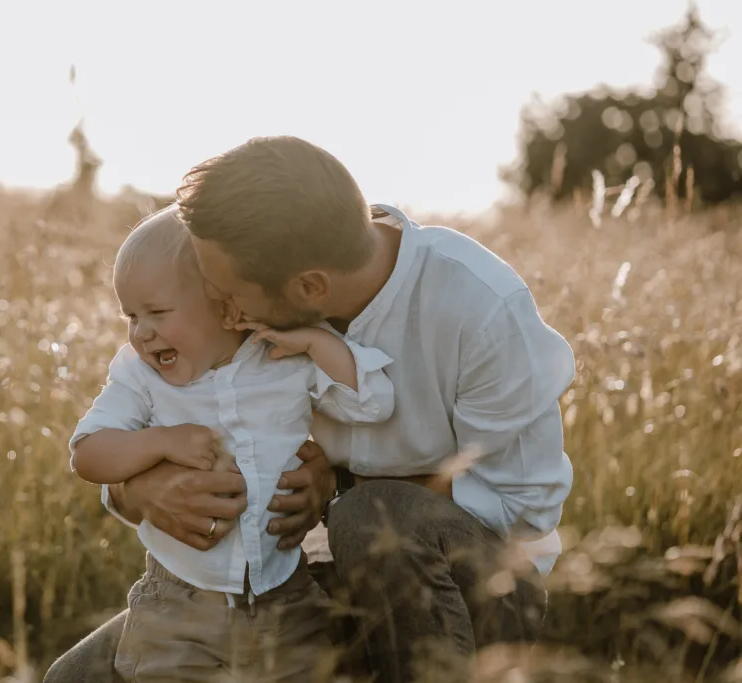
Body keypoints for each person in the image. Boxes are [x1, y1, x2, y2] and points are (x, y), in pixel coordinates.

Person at [44, 136, 576, 683]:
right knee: (77, 676)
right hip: (304, 574)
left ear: (309, 288)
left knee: (371, 518)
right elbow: (188, 417)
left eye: (225, 290)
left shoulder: (479, 310)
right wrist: (139, 488)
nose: (222, 306)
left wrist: (340, 489)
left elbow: (519, 504)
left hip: (470, 587)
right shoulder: (276, 247)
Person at [67, 206, 396, 682]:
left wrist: (316, 343)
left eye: (157, 312)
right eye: (131, 316)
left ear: (229, 307)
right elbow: (88, 453)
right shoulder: (139, 376)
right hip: (178, 603)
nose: (141, 332)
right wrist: (158, 442)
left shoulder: (283, 359)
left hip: (284, 595)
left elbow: (372, 404)